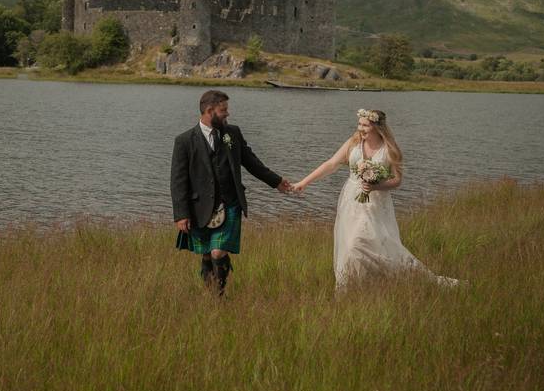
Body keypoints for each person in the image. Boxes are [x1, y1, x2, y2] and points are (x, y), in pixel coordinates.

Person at [292, 108, 457, 288]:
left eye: (365, 125)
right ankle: (353, 286)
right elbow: (331, 164)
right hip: (351, 200)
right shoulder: (353, 143)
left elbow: (397, 180)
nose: (360, 128)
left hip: (376, 204)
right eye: (359, 124)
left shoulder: (389, 150)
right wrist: (304, 182)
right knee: (349, 246)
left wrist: (376, 186)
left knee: (364, 243)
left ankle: (408, 276)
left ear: (377, 127)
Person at [171, 90, 292, 295]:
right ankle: (209, 292)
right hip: (199, 207)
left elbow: (251, 162)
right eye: (223, 110)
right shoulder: (184, 141)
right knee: (208, 254)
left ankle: (219, 295)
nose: (228, 114)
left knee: (218, 252)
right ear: (209, 111)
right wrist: (181, 214)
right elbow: (178, 180)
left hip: (231, 203)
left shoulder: (232, 133)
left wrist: (277, 181)